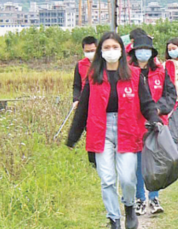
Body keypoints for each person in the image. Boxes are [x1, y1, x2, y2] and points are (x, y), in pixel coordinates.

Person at [67, 32, 163, 229]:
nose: (111, 51)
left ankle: (128, 207)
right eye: (107, 48)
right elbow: (83, 108)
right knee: (108, 179)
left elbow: (146, 103)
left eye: (115, 47)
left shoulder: (134, 75)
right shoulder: (93, 77)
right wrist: (73, 137)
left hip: (126, 130)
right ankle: (114, 218)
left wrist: (155, 119)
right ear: (101, 52)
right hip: (100, 132)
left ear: (122, 50)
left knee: (128, 178)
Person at [128, 34, 177, 216]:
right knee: (140, 164)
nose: (143, 53)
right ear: (134, 52)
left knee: (157, 160)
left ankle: (154, 198)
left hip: (156, 124)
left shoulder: (161, 72)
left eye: (147, 50)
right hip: (135, 124)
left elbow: (170, 95)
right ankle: (140, 199)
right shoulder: (128, 72)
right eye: (140, 50)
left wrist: (159, 109)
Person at [73, 36, 97, 108]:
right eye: (87, 51)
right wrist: (76, 99)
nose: (90, 53)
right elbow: (77, 85)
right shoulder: (80, 65)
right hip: (85, 101)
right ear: (83, 50)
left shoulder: (104, 63)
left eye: (92, 50)